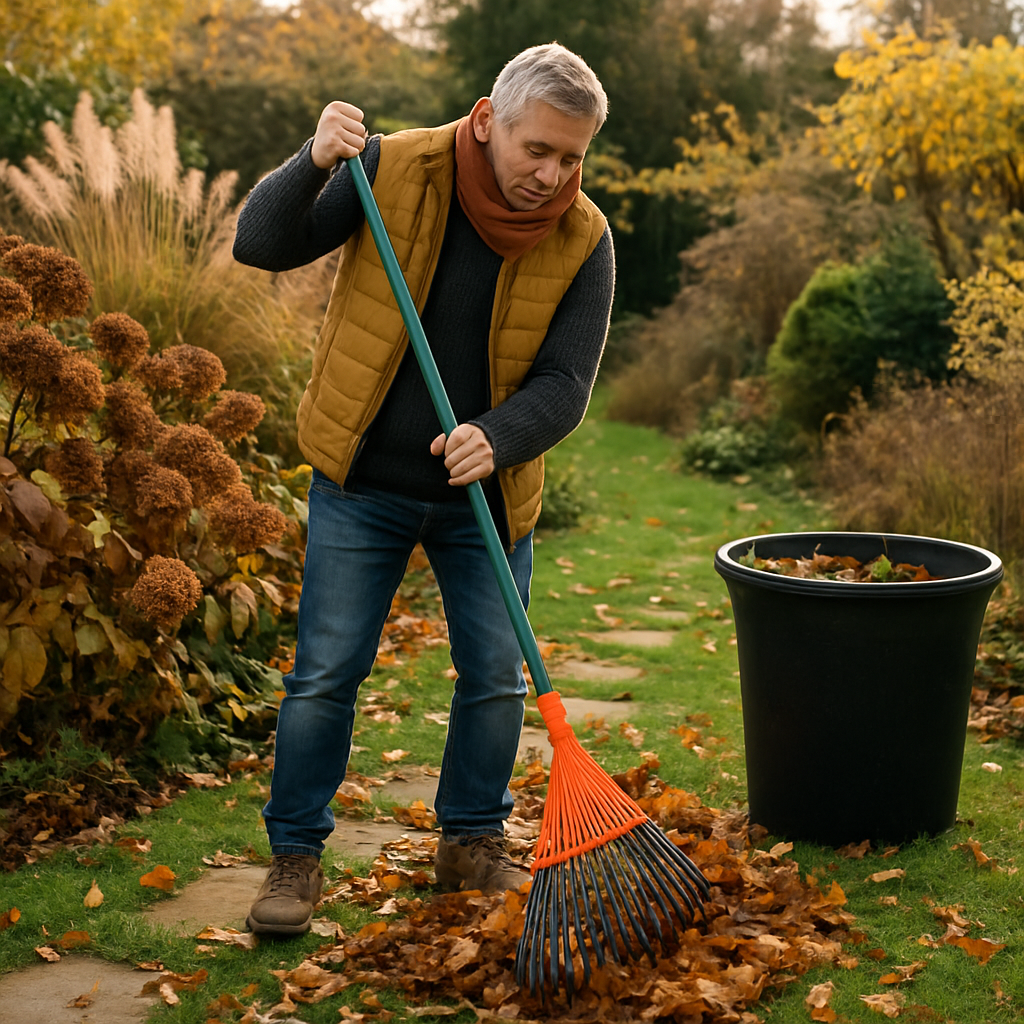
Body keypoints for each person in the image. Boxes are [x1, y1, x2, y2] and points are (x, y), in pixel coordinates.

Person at [233, 42, 615, 937]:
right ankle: (295, 855)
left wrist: (500, 434)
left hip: (484, 497)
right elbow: (260, 245)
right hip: (362, 480)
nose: (551, 174)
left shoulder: (583, 237)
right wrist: (313, 160)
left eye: (572, 157)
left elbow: (567, 382)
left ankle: (470, 842)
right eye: (538, 150)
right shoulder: (388, 168)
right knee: (325, 675)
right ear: (488, 120)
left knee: (493, 679)